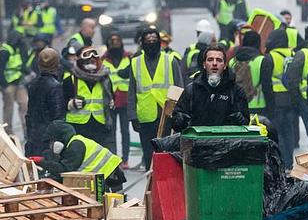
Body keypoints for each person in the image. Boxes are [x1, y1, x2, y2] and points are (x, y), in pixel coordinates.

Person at [126, 28, 183, 170]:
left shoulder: (170, 60)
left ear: (159, 42)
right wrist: (132, 116)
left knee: (167, 153)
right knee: (148, 153)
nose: (151, 43)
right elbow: (132, 91)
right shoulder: (135, 63)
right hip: (145, 117)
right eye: (148, 41)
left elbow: (179, 87)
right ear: (142, 44)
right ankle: (151, 185)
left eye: (154, 40)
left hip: (167, 115)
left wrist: (180, 112)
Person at [172, 44, 249, 130]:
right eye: (210, 60)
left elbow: (246, 123)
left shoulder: (236, 91)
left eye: (219, 60)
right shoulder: (191, 90)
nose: (214, 63)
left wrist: (240, 120)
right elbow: (176, 124)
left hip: (225, 142)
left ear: (225, 65)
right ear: (204, 64)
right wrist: (179, 120)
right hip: (198, 142)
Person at [40, 120, 126, 191]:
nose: (51, 147)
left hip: (106, 177)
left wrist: (42, 162)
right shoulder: (74, 142)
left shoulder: (75, 146)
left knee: (107, 205)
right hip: (109, 175)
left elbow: (64, 171)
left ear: (59, 140)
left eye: (52, 142)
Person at [63, 46, 114, 152]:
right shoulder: (70, 80)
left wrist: (111, 102)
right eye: (87, 60)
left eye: (94, 59)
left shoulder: (105, 79)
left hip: (100, 126)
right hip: (78, 127)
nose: (91, 62)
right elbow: (59, 104)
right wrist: (70, 104)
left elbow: (111, 96)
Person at [259, 29, 298, 167]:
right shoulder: (293, 54)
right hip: (291, 100)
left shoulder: (270, 57)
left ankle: (281, 162)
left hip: (276, 100)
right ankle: (289, 162)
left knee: (279, 132)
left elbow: (266, 84)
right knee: (290, 132)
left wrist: (269, 106)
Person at [24, 48, 66, 157]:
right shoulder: (55, 86)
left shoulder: (33, 85)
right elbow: (58, 117)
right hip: (48, 138)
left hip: (34, 135)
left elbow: (29, 113)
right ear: (57, 64)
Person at [0, 30, 30, 138]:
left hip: (18, 82)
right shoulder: (4, 51)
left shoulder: (18, 49)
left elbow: (21, 64)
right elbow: (0, 70)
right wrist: (4, 85)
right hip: (8, 84)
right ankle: (8, 132)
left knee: (24, 105)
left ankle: (26, 130)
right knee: (9, 108)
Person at [103, 33, 132, 168]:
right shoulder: (103, 59)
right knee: (111, 131)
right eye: (112, 41)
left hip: (125, 99)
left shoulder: (129, 57)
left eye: (117, 41)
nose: (115, 44)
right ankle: (114, 158)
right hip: (111, 100)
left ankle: (125, 159)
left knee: (125, 131)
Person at [230, 30, 266, 115]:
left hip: (238, 105)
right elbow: (266, 86)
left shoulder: (232, 62)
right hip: (258, 106)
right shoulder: (261, 60)